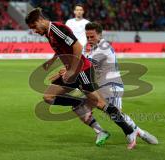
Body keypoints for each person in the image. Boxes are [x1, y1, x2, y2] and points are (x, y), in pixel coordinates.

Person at [25, 8, 139, 149]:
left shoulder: (57, 29)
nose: (35, 31)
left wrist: (72, 70)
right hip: (71, 71)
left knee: (100, 104)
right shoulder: (49, 33)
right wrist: (52, 62)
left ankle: (130, 132)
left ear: (40, 21)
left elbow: (77, 47)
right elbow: (61, 50)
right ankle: (81, 105)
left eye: (34, 27)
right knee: (48, 96)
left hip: (82, 69)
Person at [58, 22, 158, 147]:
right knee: (78, 107)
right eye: (87, 37)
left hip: (112, 85)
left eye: (92, 37)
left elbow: (84, 64)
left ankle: (140, 132)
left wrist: (69, 70)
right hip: (98, 86)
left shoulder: (103, 47)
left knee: (116, 115)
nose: (89, 40)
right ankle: (100, 132)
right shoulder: (89, 46)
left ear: (100, 34)